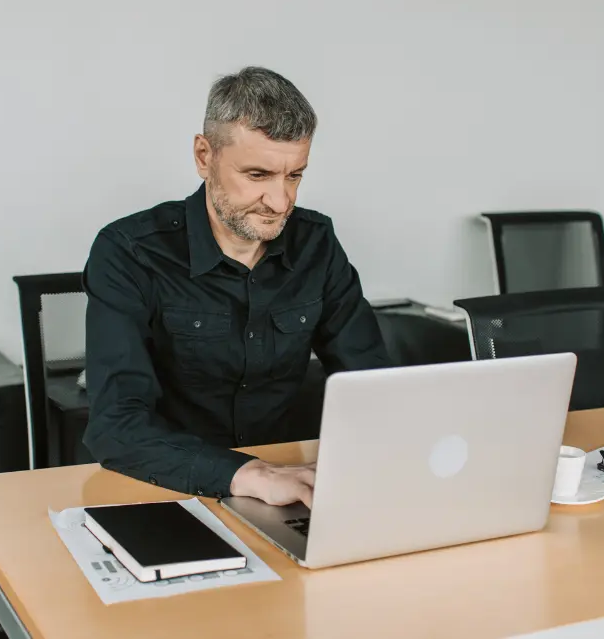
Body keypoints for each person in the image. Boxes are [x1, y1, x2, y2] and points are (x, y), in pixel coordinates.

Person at [82, 66, 391, 509]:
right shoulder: (128, 252)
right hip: (163, 489)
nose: (281, 202)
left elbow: (372, 385)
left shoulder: (316, 243)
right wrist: (249, 475)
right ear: (204, 156)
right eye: (258, 175)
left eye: (294, 175)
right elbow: (116, 426)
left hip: (284, 489)